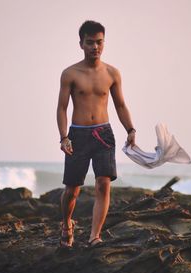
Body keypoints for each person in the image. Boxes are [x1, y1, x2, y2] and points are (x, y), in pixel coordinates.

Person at [56, 20, 136, 247]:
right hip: (78, 135)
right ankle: (66, 223)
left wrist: (130, 129)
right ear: (81, 44)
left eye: (99, 42)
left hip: (103, 133)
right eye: (90, 42)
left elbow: (120, 105)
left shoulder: (112, 73)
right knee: (72, 190)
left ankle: (95, 236)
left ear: (104, 42)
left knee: (103, 184)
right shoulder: (70, 73)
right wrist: (64, 137)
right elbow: (62, 108)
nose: (95, 47)